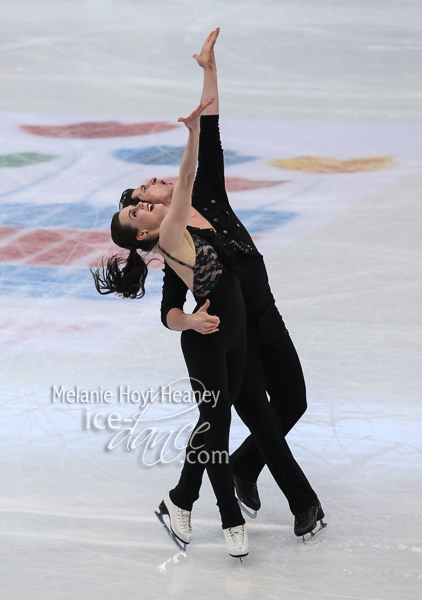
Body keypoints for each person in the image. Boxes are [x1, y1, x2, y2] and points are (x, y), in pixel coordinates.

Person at [118, 29, 325, 542]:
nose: (152, 185)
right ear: (149, 217)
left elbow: (208, 128)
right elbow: (168, 308)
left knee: (292, 402)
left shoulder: (205, 193)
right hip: (234, 332)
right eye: (144, 191)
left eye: (147, 188)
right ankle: (302, 506)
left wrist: (208, 68)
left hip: (267, 315)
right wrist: (186, 319)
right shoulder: (173, 244)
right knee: (252, 415)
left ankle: (226, 477)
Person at [93, 96, 250, 560]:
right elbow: (185, 179)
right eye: (136, 212)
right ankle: (230, 519)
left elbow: (168, 309)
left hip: (232, 328)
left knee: (213, 427)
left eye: (137, 205)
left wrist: (187, 316)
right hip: (206, 345)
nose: (142, 204)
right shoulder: (167, 233)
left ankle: (180, 499)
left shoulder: (180, 231)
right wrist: (194, 132)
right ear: (142, 234)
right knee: (216, 429)